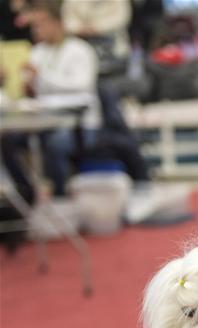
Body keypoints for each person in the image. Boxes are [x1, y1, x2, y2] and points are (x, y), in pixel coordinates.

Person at [0, 0, 101, 203]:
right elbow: (32, 89)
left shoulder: (80, 50)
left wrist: (41, 78)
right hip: (41, 121)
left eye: (41, 24)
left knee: (55, 143)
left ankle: (60, 197)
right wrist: (27, 86)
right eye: (34, 25)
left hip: (78, 123)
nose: (37, 29)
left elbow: (81, 85)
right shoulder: (37, 52)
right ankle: (26, 193)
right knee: (6, 140)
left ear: (58, 23)